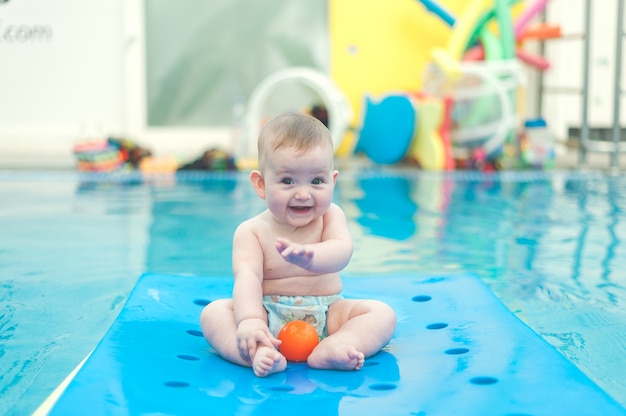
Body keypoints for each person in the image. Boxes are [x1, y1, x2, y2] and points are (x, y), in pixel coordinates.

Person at [200, 113, 396, 377]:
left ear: (333, 181)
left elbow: (342, 251)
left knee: (382, 314)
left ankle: (337, 344)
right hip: (267, 315)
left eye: (316, 181)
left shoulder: (331, 216)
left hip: (328, 313)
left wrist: (312, 257)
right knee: (213, 314)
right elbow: (248, 276)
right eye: (287, 181)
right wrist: (250, 321)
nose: (303, 194)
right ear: (261, 184)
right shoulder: (251, 231)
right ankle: (257, 352)